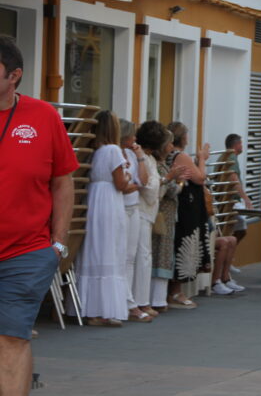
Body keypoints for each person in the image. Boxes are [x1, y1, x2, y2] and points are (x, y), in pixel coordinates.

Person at [0, 35, 78, 395]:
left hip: (25, 253)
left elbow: (63, 183)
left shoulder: (43, 116)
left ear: (13, 75)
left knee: (10, 339)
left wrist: (58, 244)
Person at [75, 111, 130, 326]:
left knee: (94, 251)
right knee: (110, 250)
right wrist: (127, 174)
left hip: (94, 199)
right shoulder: (114, 150)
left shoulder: (93, 152)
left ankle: (91, 309)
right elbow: (121, 184)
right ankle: (105, 309)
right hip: (109, 201)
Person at [166, 122, 211, 309]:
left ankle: (174, 290)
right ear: (182, 137)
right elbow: (200, 178)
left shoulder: (169, 155)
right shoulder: (180, 155)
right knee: (185, 242)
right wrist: (202, 159)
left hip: (185, 203)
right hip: (187, 205)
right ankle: (175, 291)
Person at [148, 126, 189, 312]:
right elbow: (170, 190)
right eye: (169, 143)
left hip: (166, 215)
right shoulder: (158, 165)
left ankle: (158, 299)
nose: (171, 146)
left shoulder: (162, 164)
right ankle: (156, 299)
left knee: (162, 255)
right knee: (160, 254)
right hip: (162, 215)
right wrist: (178, 180)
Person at [119, 119, 153, 323]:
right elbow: (128, 184)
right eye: (132, 135)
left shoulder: (132, 153)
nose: (135, 138)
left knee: (130, 256)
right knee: (122, 256)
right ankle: (127, 302)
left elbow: (143, 180)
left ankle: (129, 300)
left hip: (133, 206)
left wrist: (140, 156)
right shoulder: (114, 152)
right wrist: (136, 185)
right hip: (120, 207)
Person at [223, 133, 254, 246]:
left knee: (238, 231)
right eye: (241, 143)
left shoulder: (227, 156)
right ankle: (227, 258)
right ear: (236, 145)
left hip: (228, 201)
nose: (242, 146)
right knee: (239, 231)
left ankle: (228, 258)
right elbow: (233, 178)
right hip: (231, 201)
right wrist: (246, 199)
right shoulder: (231, 157)